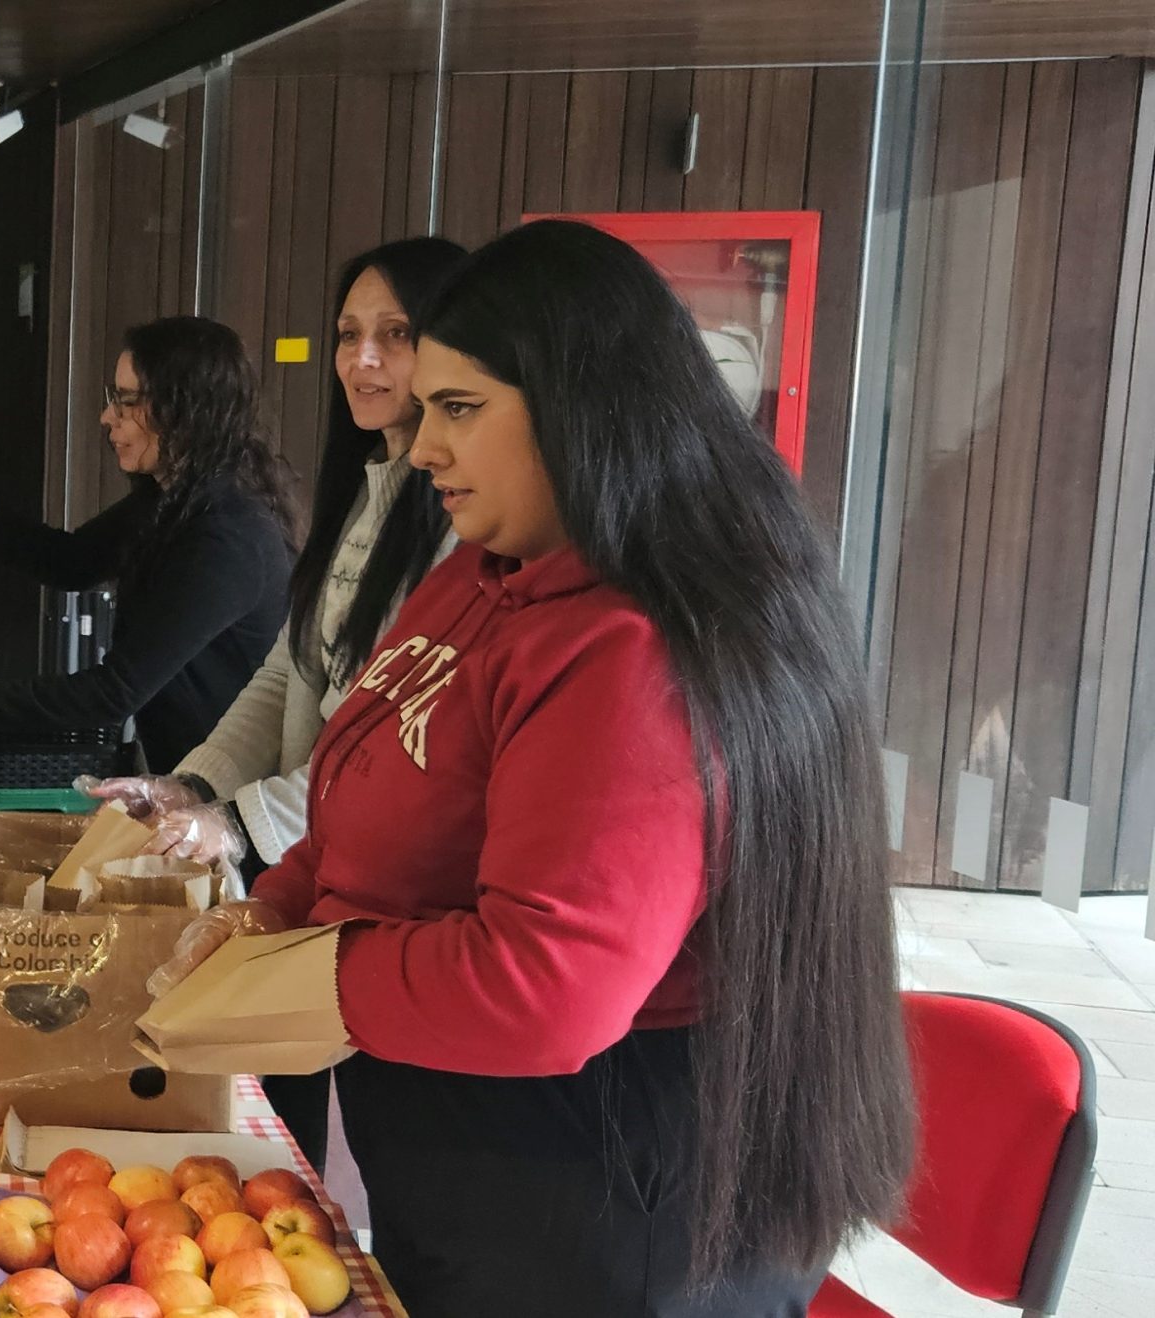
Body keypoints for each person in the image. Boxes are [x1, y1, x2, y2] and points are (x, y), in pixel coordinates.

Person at [153, 220, 913, 1316]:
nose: (423, 447)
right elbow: (362, 792)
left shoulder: (632, 646)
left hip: (598, 1207)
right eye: (427, 408)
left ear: (583, 410)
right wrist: (270, 908)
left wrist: (311, 972)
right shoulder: (482, 566)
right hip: (467, 1169)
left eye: (460, 409)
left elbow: (546, 985)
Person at [87, 237, 465, 1169]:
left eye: (395, 334)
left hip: (392, 898)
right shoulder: (363, 494)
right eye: (347, 334)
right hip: (306, 864)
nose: (362, 360)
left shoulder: (461, 528)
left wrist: (237, 821)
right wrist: (191, 787)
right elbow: (289, 676)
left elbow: (394, 746)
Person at [0, 316, 295, 772]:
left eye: (127, 402)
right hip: (186, 768)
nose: (107, 417)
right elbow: (73, 561)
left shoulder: (226, 535)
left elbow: (112, 692)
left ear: (185, 409)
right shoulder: (172, 498)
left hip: (227, 784)